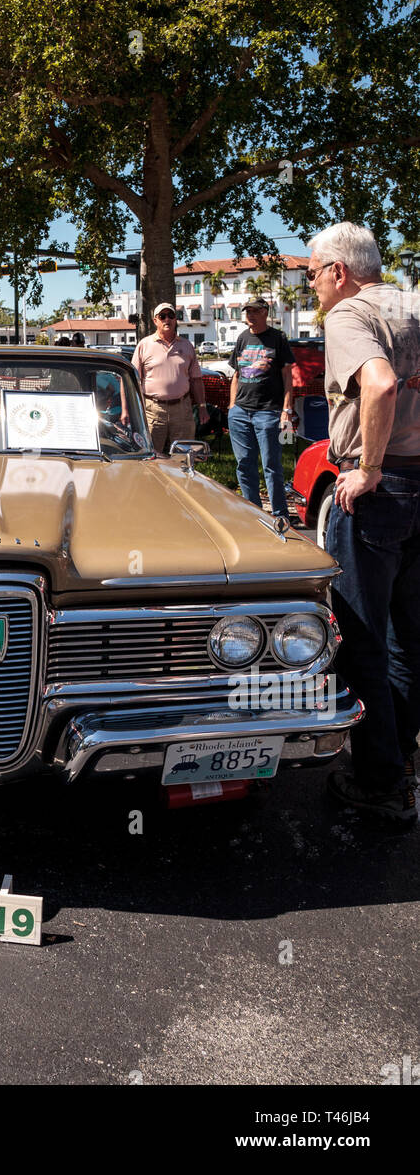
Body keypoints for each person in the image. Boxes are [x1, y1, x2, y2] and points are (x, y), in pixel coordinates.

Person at [308, 221, 420, 826]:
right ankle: (400, 760)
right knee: (410, 637)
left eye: (312, 273)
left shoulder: (349, 315)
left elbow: (377, 383)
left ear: (339, 272)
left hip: (378, 491)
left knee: (360, 636)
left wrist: (369, 468)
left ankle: (378, 780)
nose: (312, 286)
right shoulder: (412, 305)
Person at [226, 297, 295, 519]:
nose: (250, 315)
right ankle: (253, 514)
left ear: (265, 312)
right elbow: (236, 374)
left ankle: (279, 516)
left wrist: (286, 409)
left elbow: (287, 376)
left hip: (268, 412)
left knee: (271, 465)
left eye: (255, 311)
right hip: (240, 413)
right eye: (247, 311)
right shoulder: (242, 338)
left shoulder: (277, 338)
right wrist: (231, 407)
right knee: (244, 464)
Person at [131, 304, 208, 454]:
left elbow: (196, 380)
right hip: (152, 410)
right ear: (155, 321)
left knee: (183, 457)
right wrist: (129, 410)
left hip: (182, 410)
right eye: (162, 316)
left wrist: (202, 407)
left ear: (176, 319)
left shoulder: (187, 346)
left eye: (171, 316)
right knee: (150, 456)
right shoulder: (144, 345)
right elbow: (132, 381)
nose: (167, 320)